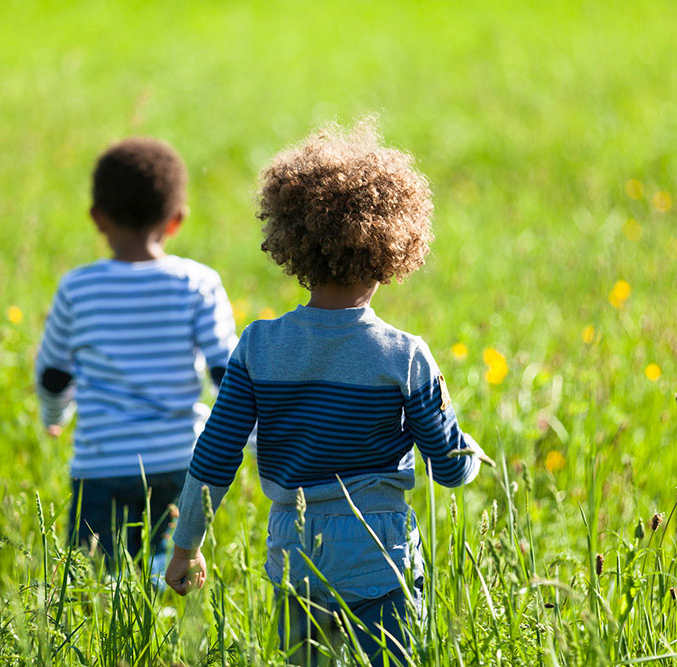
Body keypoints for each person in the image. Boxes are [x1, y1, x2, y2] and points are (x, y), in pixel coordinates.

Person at [166, 120, 494, 665]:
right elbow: (449, 466)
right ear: (392, 250)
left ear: (296, 244)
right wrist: (472, 458)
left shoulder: (259, 345)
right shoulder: (404, 356)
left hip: (293, 548)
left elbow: (215, 455)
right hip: (378, 550)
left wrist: (186, 546)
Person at [35, 137, 237, 576]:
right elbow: (228, 373)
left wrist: (54, 414)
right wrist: (250, 435)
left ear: (97, 218)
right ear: (176, 220)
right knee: (176, 575)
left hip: (102, 464)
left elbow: (52, 374)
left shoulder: (77, 288)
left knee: (101, 585)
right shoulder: (197, 283)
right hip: (182, 462)